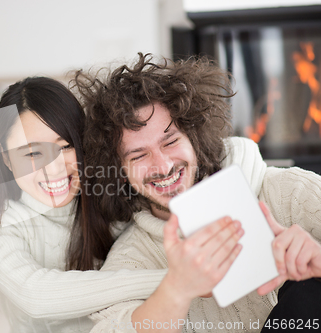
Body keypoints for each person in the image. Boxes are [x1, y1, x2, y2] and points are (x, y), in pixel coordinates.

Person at [73, 54, 321, 332]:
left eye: (170, 141)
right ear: (120, 170)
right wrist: (176, 289)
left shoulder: (288, 192)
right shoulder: (133, 260)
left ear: (194, 138)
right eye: (139, 155)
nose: (163, 166)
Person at [0, 76, 182, 333]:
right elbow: (35, 295)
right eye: (32, 153)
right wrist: (178, 280)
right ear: (6, 158)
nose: (54, 169)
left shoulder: (110, 196)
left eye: (65, 146)